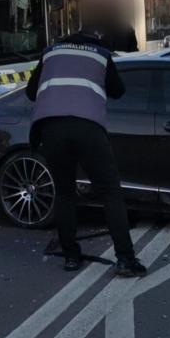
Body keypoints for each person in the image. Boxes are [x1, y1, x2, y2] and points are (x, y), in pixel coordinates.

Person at [26, 27, 147, 277]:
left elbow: (30, 92)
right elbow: (118, 91)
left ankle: (71, 255)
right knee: (110, 192)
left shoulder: (50, 53)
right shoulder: (101, 55)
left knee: (65, 193)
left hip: (52, 128)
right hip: (87, 127)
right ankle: (125, 258)